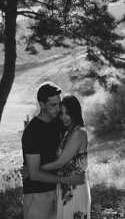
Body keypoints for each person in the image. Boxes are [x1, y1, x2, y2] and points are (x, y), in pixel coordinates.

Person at [22, 82, 85, 219]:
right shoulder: (32, 131)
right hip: (37, 195)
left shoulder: (57, 122)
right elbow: (35, 174)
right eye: (53, 105)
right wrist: (67, 180)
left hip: (57, 192)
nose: (58, 109)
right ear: (42, 104)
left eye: (58, 104)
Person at [39, 95, 91, 219]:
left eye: (67, 113)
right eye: (61, 113)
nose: (63, 117)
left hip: (75, 189)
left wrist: (35, 169)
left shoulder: (79, 133)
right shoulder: (68, 132)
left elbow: (60, 163)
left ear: (75, 112)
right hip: (65, 186)